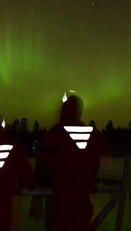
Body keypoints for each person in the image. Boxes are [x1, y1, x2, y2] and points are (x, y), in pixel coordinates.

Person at [30, 92, 108, 231]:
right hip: (83, 202)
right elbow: (97, 161)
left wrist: (37, 198)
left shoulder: (56, 132)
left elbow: (43, 164)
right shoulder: (91, 134)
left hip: (60, 201)